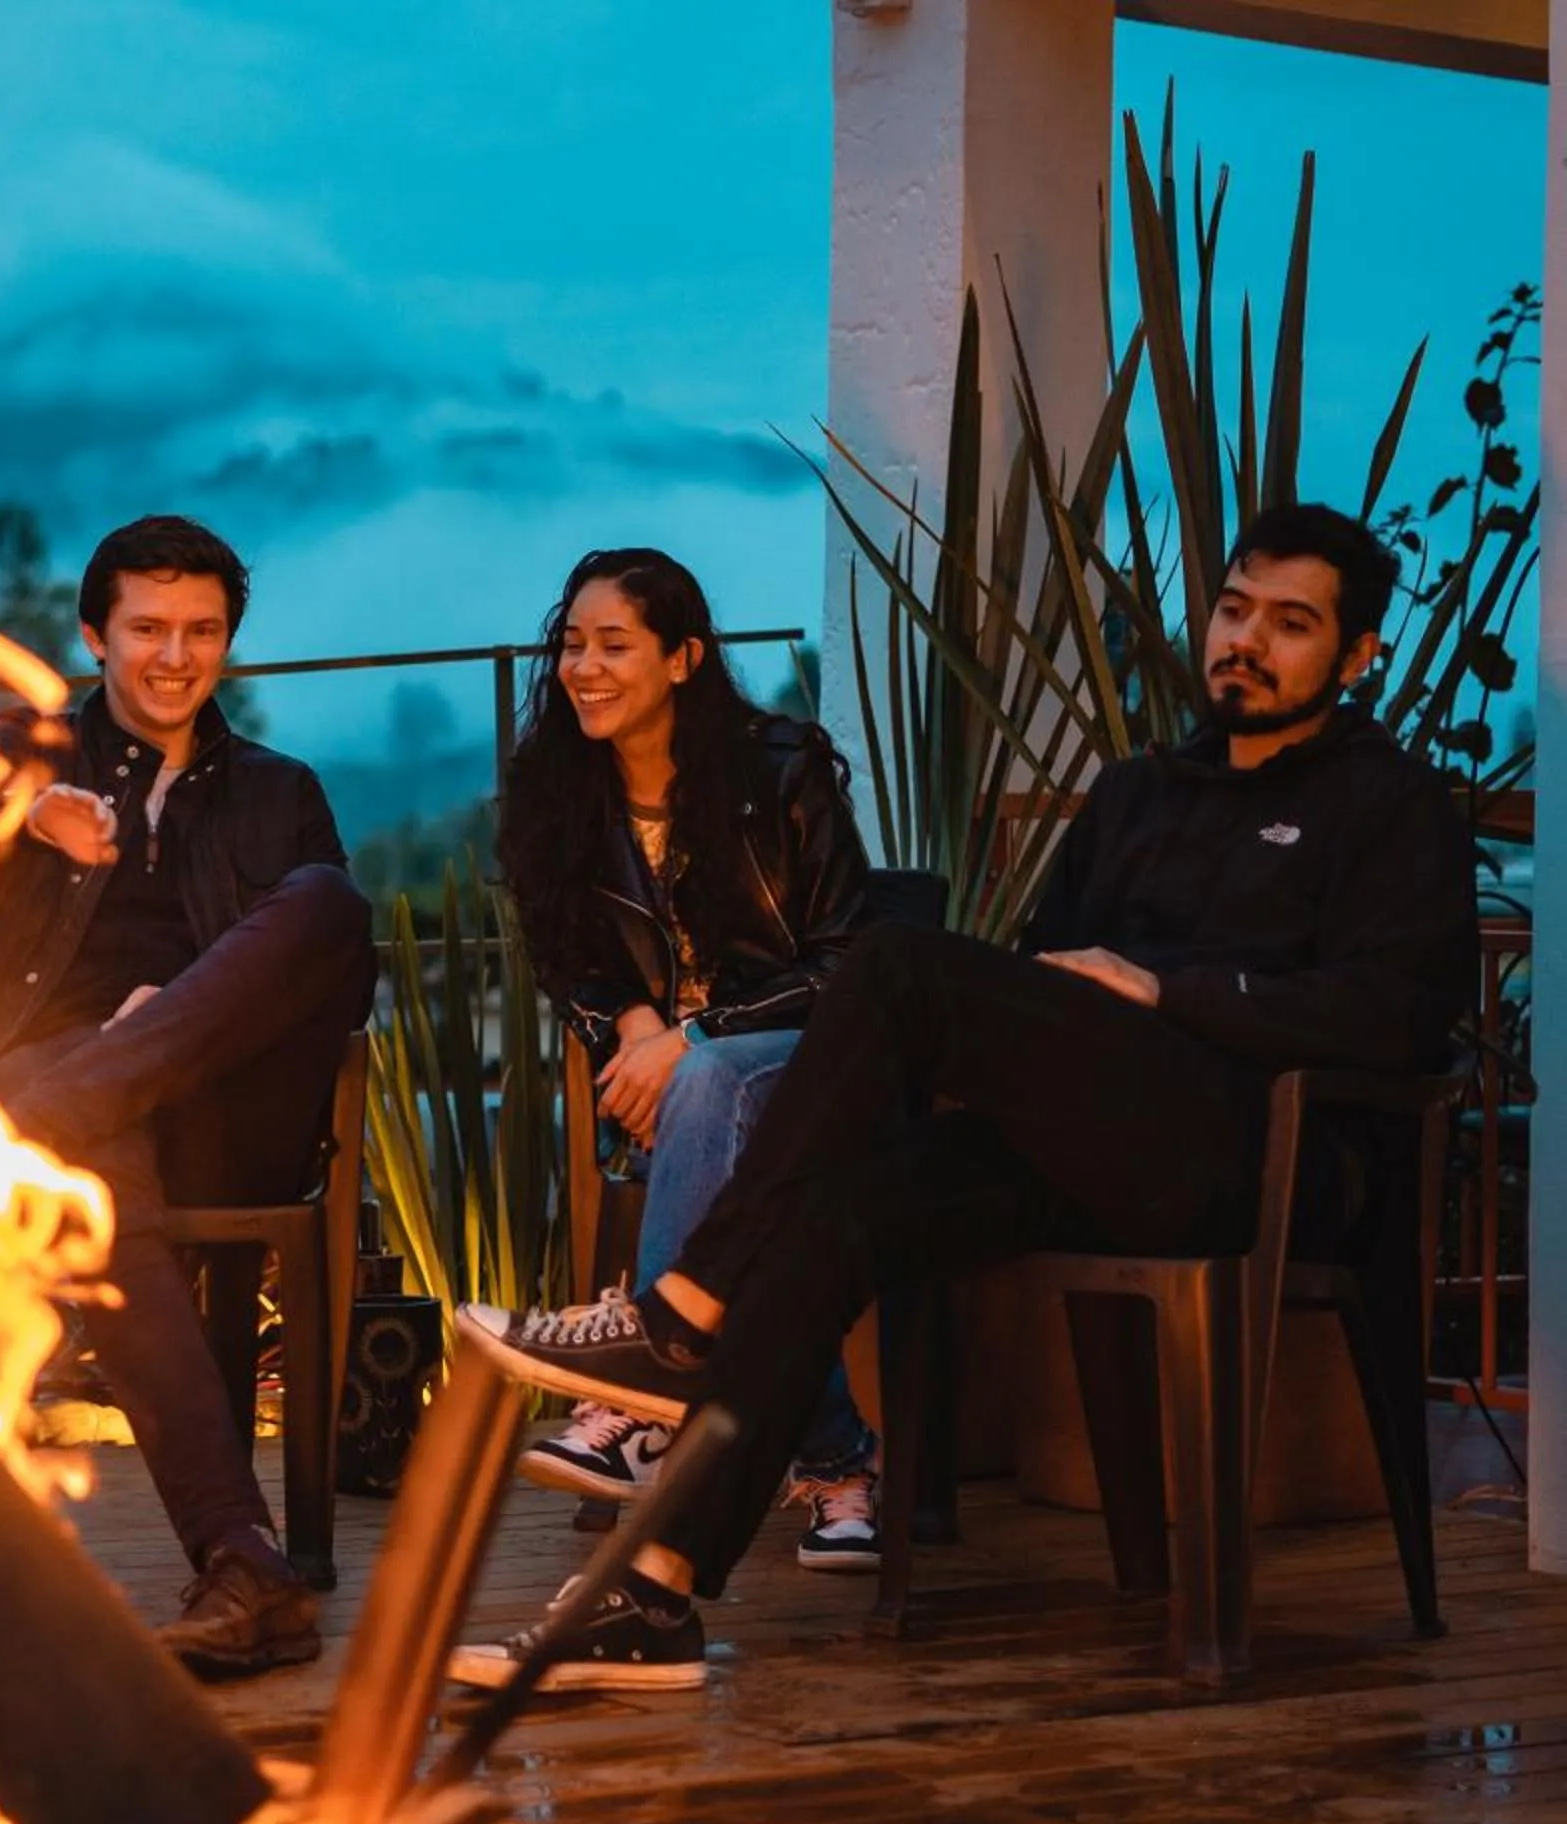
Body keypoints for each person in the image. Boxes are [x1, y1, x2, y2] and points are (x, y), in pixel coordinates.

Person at [448, 501, 1476, 1693]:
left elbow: (1398, 1013)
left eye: (1290, 624)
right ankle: (655, 1591)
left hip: (1254, 1151)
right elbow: (1044, 976)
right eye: (1235, 609)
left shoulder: (1389, 803)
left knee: (893, 962)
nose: (1245, 640)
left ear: (1356, 656)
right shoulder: (1139, 793)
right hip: (1089, 1145)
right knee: (825, 1218)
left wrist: (1166, 989)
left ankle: (679, 1313)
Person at [0, 514, 376, 1679]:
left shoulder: (279, 791)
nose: (175, 655)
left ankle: (40, 1119)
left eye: (201, 630)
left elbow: (336, 981)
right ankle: (247, 1562)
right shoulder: (20, 754)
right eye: (147, 629)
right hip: (63, 1093)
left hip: (215, 1105)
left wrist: (172, 1014)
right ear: (97, 635)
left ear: (228, 639)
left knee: (327, 900)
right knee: (88, 1140)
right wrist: (21, 808)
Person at [491, 547, 880, 1576]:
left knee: (707, 1085)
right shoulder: (555, 786)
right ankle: (839, 1464)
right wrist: (627, 1023)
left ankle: (636, 1393)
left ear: (683, 659)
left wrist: (692, 1039)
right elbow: (564, 956)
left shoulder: (781, 769)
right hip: (670, 1083)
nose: (584, 667)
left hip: (811, 1062)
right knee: (748, 1206)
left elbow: (847, 963)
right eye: (574, 644)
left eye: (615, 645)